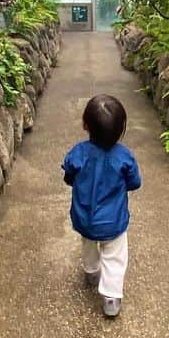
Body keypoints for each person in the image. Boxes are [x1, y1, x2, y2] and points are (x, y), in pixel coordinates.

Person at [62, 94, 141, 318]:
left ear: (85, 124)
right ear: (121, 129)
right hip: (113, 221)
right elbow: (135, 183)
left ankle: (91, 271)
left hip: (84, 218)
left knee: (88, 244)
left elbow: (68, 176)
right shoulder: (124, 157)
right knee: (115, 255)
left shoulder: (78, 153)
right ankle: (110, 297)